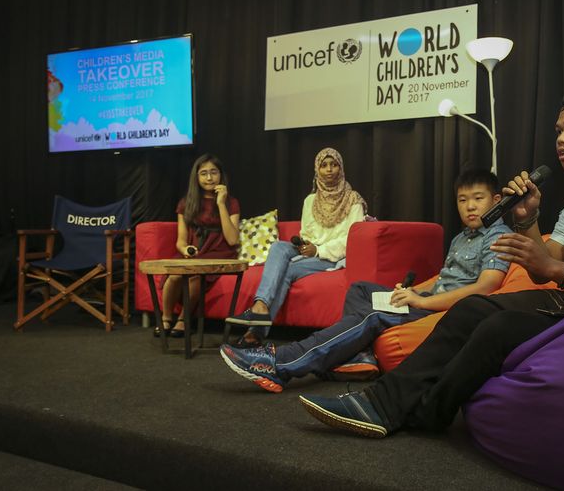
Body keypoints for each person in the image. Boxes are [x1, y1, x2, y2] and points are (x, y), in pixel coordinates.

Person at [297, 87, 564, 438]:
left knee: (498, 327)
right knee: (472, 308)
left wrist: (556, 272)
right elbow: (553, 254)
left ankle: (426, 412)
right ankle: (383, 402)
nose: (562, 139)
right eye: (559, 130)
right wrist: (527, 219)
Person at [218, 168, 512, 393]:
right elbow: (445, 280)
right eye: (463, 200)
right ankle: (361, 357)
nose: (470, 206)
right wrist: (411, 290)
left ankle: (278, 363)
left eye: (478, 199)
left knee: (371, 316)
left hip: (445, 312)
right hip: (430, 300)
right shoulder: (462, 237)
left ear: (496, 200)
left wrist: (421, 300)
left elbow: (485, 287)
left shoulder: (499, 236)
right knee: (361, 289)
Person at [225, 147, 367, 346]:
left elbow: (353, 239)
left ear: (341, 168)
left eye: (334, 165)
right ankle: (261, 305)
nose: (329, 170)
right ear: (317, 169)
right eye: (324, 165)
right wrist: (306, 245)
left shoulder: (353, 200)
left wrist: (318, 250)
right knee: (278, 247)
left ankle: (256, 332)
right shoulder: (310, 200)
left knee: (288, 271)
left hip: (331, 256)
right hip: (309, 250)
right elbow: (306, 232)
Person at [155, 153, 240, 338]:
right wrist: (186, 249)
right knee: (175, 275)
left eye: (213, 172)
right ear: (196, 177)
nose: (209, 178)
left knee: (196, 277)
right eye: (203, 173)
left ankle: (184, 320)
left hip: (220, 252)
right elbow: (181, 241)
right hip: (196, 252)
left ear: (221, 175)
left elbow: (233, 239)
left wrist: (221, 204)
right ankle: (166, 318)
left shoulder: (231, 202)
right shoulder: (186, 203)